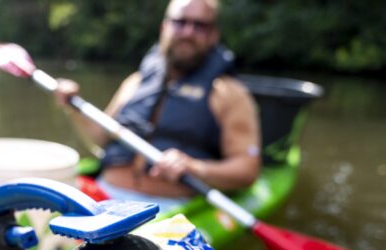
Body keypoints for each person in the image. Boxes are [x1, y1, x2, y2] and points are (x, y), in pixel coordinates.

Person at [55, 0, 261, 211]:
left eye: (199, 25)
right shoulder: (136, 82)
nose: (188, 32)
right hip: (103, 195)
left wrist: (194, 167)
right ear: (165, 27)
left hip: (167, 207)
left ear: (213, 35)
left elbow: (246, 170)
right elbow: (102, 140)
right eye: (180, 22)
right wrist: (74, 107)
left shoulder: (229, 93)